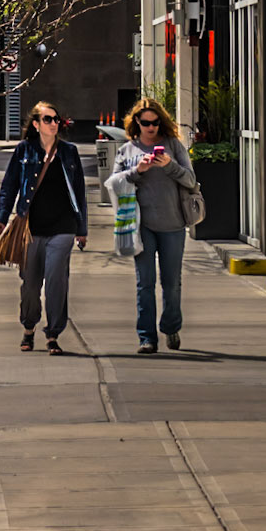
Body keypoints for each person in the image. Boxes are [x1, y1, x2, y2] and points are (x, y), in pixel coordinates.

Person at [0, 101, 88, 355]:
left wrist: (82, 228)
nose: (54, 123)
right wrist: (2, 216)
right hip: (31, 227)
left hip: (63, 227)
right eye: (48, 119)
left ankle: (53, 333)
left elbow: (79, 192)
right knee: (30, 285)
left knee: (57, 282)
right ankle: (28, 327)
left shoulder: (69, 151)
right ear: (36, 124)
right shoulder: (24, 150)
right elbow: (9, 185)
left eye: (56, 119)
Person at [112, 97, 198, 354]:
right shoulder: (127, 151)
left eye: (156, 122)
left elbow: (191, 179)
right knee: (145, 283)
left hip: (172, 224)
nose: (151, 128)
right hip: (141, 227)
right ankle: (146, 337)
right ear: (136, 122)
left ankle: (171, 326)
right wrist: (137, 171)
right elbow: (114, 184)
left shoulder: (172, 145)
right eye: (146, 123)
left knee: (171, 283)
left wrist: (170, 166)